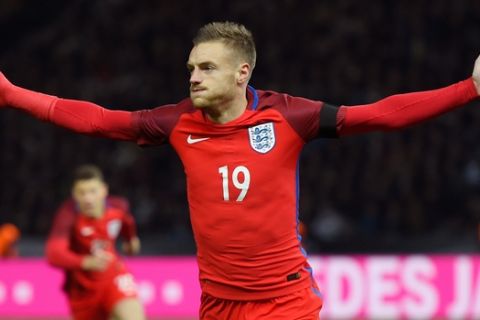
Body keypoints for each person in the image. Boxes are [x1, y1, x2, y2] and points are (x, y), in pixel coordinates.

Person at [0, 21, 479, 319]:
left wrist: (468, 88)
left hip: (284, 301)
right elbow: (99, 121)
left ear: (241, 73)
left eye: (207, 68)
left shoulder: (290, 116)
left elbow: (381, 114)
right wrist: (10, 93)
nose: (193, 77)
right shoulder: (177, 121)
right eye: (191, 67)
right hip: (217, 304)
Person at [45, 164, 145, 320]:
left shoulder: (118, 206)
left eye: (92, 191)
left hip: (114, 276)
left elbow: (127, 223)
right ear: (74, 195)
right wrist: (86, 262)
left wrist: (130, 241)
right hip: (82, 289)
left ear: (104, 190)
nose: (87, 198)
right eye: (82, 193)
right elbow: (53, 254)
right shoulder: (67, 216)